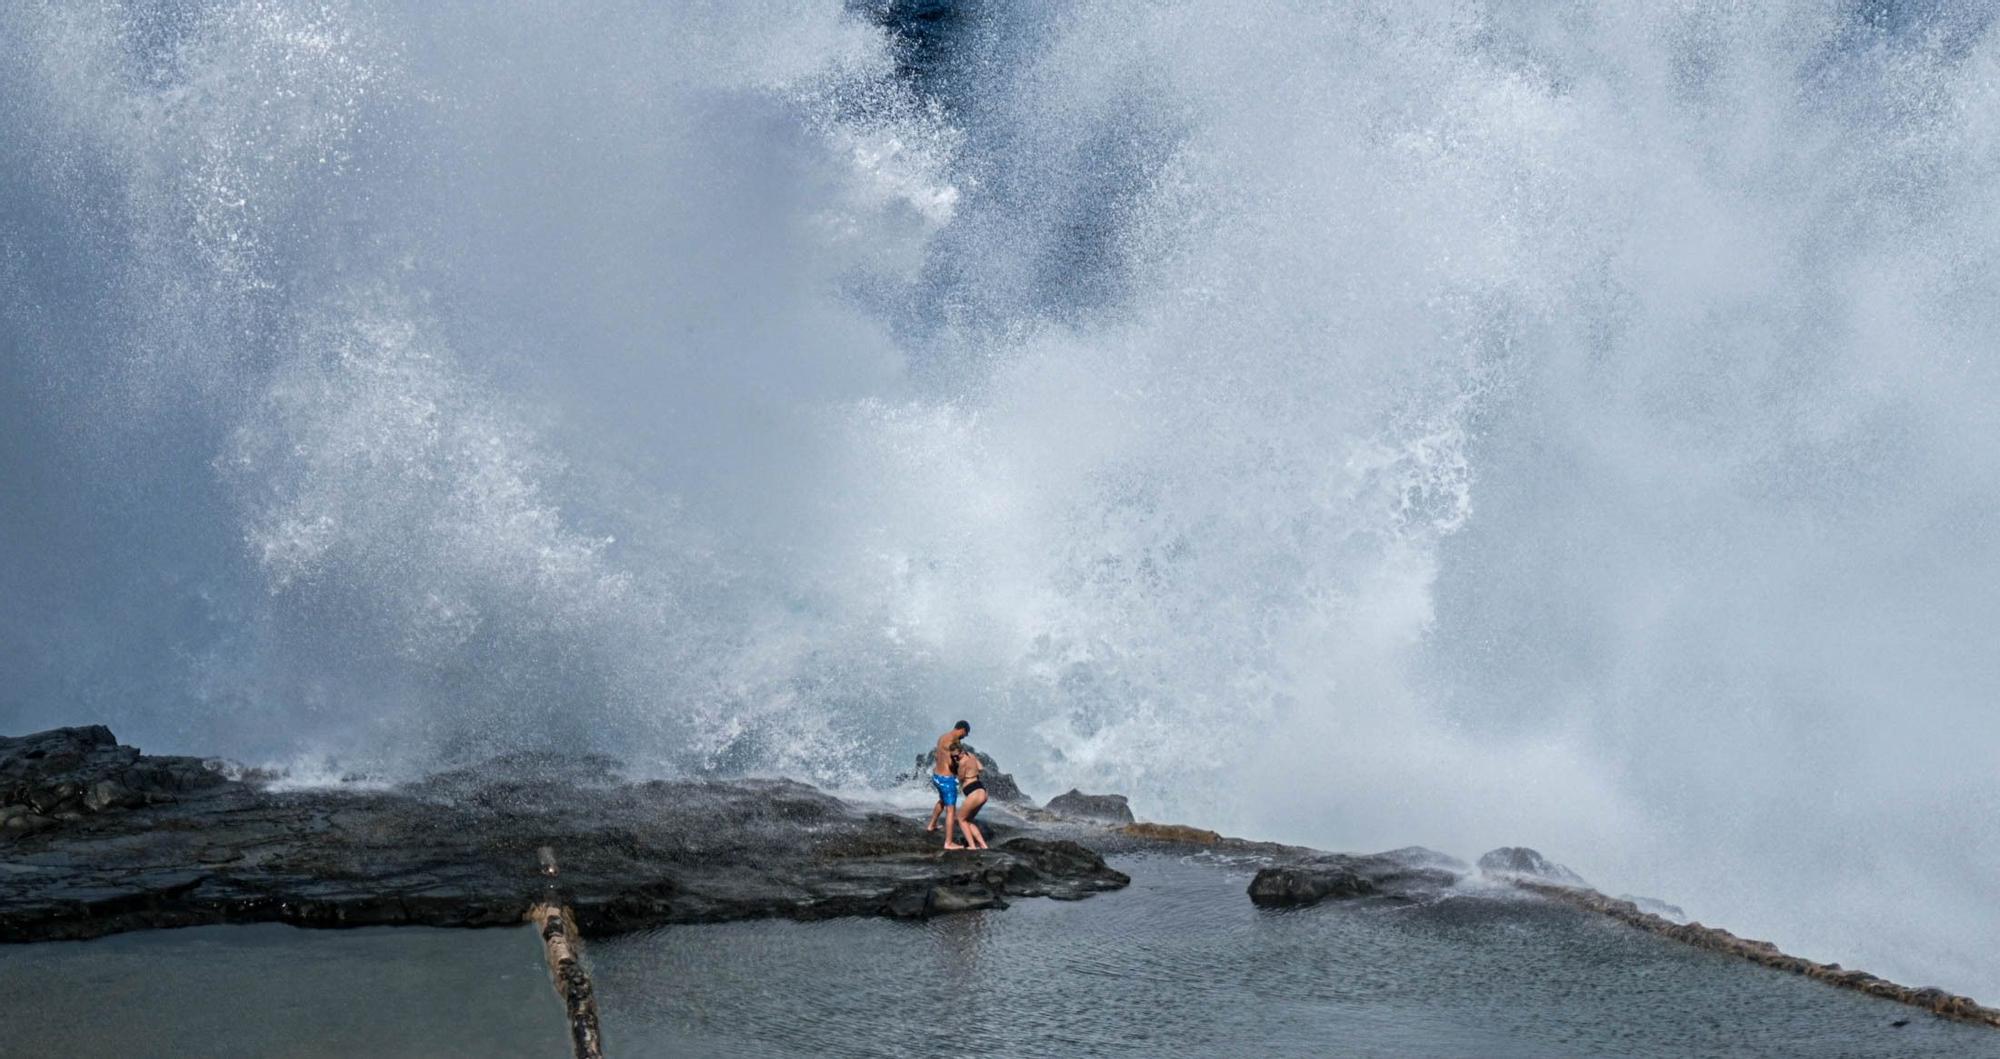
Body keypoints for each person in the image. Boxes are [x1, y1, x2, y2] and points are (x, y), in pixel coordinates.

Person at [924, 720, 971, 850]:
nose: (965, 736)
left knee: (942, 800)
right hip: (946, 780)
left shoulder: (943, 737)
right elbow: (953, 762)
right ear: (962, 729)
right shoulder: (951, 743)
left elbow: (938, 756)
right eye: (966, 733)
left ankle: (931, 825)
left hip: (937, 776)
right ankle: (948, 843)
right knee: (951, 810)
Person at [955, 746, 990, 849]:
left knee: (960, 819)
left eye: (957, 756)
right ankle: (983, 845)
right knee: (968, 819)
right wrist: (973, 773)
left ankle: (972, 846)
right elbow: (981, 768)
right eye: (954, 757)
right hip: (981, 790)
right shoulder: (971, 755)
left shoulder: (962, 762)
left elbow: (960, 777)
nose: (956, 758)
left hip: (973, 792)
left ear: (962, 751)